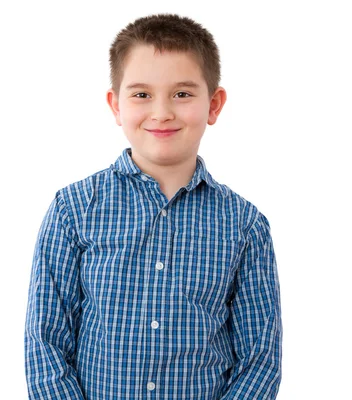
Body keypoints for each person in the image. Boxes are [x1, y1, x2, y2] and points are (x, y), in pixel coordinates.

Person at [24, 13, 282, 400]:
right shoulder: (73, 210)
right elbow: (45, 343)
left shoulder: (245, 226)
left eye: (182, 93)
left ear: (214, 105)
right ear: (116, 105)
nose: (161, 112)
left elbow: (259, 360)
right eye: (142, 94)